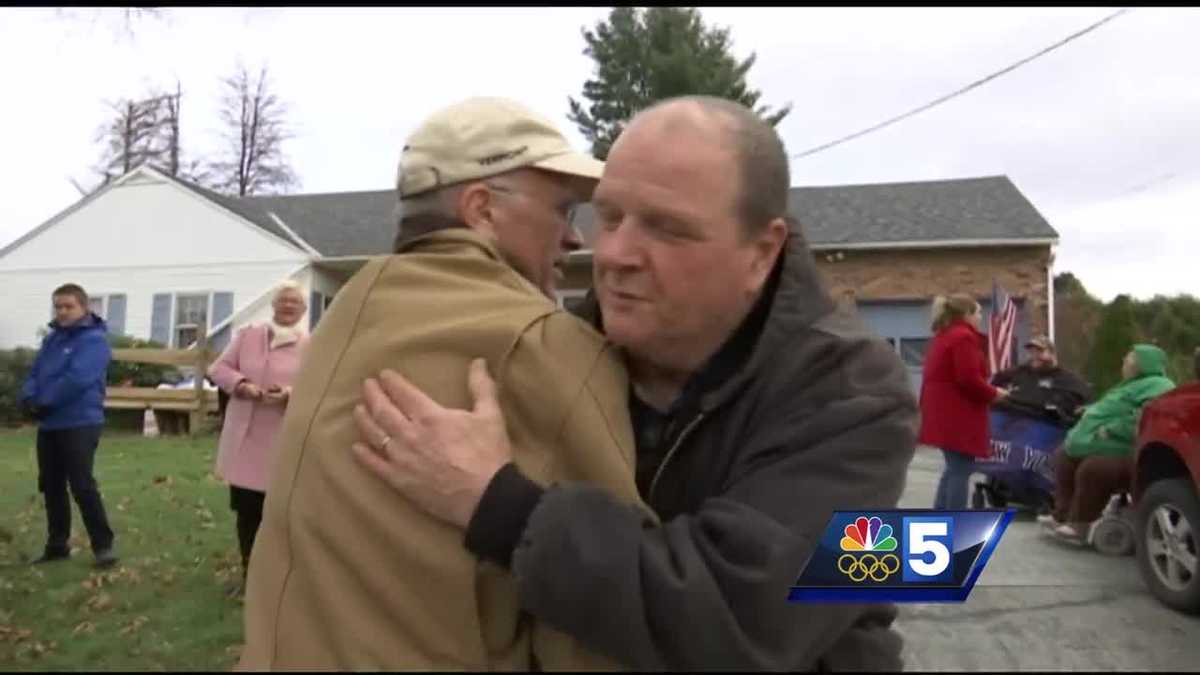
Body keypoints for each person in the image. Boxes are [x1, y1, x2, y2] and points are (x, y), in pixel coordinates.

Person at [349, 96, 918, 671]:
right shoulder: (561, 353)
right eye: (609, 217)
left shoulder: (851, 393)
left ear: (761, 252)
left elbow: (741, 616)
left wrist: (496, 504)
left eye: (668, 230)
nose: (613, 254)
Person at [238, 97, 649, 670]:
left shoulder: (351, 310)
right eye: (563, 210)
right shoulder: (547, 344)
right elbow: (602, 621)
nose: (576, 240)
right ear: (481, 208)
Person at [207, 281, 310, 598]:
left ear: (304, 310)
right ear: (274, 305)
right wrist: (241, 384)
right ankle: (250, 575)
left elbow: (320, 384)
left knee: (280, 513)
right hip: (246, 439)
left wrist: (290, 394)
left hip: (284, 440)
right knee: (247, 512)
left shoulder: (313, 345)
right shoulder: (249, 335)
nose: (288, 306)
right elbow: (218, 368)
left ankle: (280, 578)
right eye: (283, 300)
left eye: (295, 302)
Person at [20, 283, 117, 569]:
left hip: (80, 421)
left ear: (84, 308)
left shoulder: (94, 341)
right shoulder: (52, 341)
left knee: (82, 484)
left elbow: (77, 379)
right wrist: (28, 397)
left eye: (68, 306)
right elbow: (36, 373)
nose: (62, 312)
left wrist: (44, 402)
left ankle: (103, 546)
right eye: (58, 306)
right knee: (51, 485)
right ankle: (57, 545)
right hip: (50, 424)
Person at [1040, 344, 1176, 543]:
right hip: (1105, 444)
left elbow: (1145, 418)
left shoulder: (1160, 386)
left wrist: (1112, 429)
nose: (1125, 362)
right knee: (1063, 457)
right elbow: (1113, 406)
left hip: (1132, 451)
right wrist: (1091, 410)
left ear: (1145, 363)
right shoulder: (1130, 384)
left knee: (1094, 469)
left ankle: (1080, 524)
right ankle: (1062, 515)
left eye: (1130, 358)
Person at [918, 294, 1009, 510]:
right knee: (960, 470)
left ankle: (939, 518)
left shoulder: (944, 336)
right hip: (957, 416)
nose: (980, 318)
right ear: (966, 314)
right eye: (978, 313)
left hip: (942, 414)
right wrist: (995, 393)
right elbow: (968, 378)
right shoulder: (963, 338)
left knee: (953, 469)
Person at [991, 335, 1092, 426]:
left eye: (1039, 352)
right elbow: (992, 384)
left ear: (1052, 354)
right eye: (1031, 352)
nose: (1034, 356)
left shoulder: (1068, 379)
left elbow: (1085, 400)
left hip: (1045, 430)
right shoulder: (1018, 372)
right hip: (1010, 426)